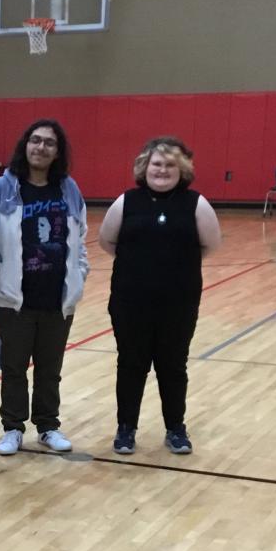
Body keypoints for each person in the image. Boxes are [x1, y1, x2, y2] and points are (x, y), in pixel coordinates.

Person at [98, 136, 221, 455]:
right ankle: (126, 429)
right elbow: (107, 241)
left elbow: (210, 244)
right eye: (156, 163)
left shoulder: (196, 204)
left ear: (182, 169)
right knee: (130, 364)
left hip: (178, 304)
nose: (162, 170)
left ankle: (176, 429)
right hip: (130, 302)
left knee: (173, 366)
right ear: (145, 166)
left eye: (169, 164)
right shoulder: (126, 202)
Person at [0, 119, 89, 456]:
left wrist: (79, 275)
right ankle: (12, 428)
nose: (41, 147)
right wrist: (0, 272)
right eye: (35, 140)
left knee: (50, 369)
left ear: (58, 152)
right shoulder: (1, 189)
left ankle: (48, 426)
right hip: (14, 300)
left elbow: (81, 238)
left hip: (57, 298)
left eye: (49, 143)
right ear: (25, 145)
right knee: (14, 367)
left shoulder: (68, 189)